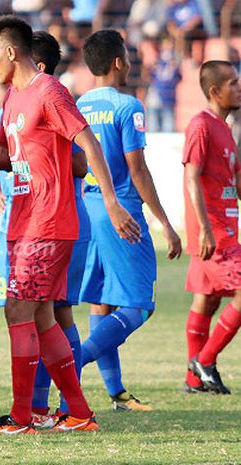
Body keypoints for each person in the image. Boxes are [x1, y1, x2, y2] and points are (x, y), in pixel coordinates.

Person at [0, 15, 141, 435]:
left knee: (17, 310)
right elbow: (7, 157)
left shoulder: (48, 91)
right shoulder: (12, 98)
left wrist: (113, 203)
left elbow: (87, 144)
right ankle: (78, 412)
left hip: (47, 222)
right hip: (23, 221)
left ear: (11, 52)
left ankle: (23, 417)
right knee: (43, 315)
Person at [77, 29, 181, 411]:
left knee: (102, 304)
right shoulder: (129, 106)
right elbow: (137, 171)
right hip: (120, 210)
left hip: (87, 210)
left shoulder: (79, 104)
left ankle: (117, 393)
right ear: (118, 62)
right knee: (138, 306)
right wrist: (166, 223)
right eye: (128, 58)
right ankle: (70, 365)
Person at [26, 31, 90, 428]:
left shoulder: (52, 97)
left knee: (54, 313)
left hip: (61, 220)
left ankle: (67, 404)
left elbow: (81, 161)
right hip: (33, 222)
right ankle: (49, 405)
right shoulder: (25, 100)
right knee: (41, 315)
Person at [184, 60, 241, 395]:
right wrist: (205, 229)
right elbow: (191, 176)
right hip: (215, 232)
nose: (239, 87)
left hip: (224, 227)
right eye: (234, 83)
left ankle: (194, 379)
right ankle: (204, 361)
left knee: (206, 302)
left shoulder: (225, 127)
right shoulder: (201, 125)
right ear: (215, 91)